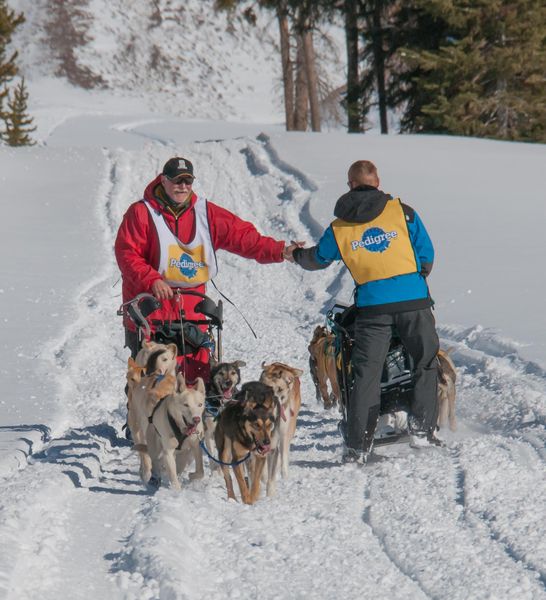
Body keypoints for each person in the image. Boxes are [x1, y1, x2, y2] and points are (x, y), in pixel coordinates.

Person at [289, 160, 440, 463]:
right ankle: (422, 430)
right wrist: (413, 280)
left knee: (366, 375)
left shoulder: (340, 226)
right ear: (377, 181)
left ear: (350, 185)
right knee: (424, 362)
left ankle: (358, 446)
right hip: (414, 302)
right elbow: (426, 254)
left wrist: (295, 254)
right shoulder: (403, 212)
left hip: (372, 308)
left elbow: (318, 259)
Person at [115, 156, 297, 382]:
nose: (182, 186)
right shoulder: (142, 213)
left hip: (192, 312)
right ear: (163, 181)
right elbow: (127, 253)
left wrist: (280, 251)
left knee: (196, 382)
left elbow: (243, 237)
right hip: (150, 311)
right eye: (176, 181)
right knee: (151, 384)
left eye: (187, 181)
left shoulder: (206, 214)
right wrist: (152, 280)